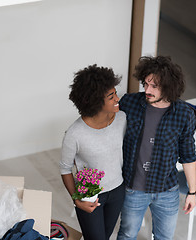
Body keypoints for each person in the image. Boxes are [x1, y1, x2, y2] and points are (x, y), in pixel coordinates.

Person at [117, 56, 196, 240]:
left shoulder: (184, 114)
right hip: (132, 189)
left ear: (169, 86)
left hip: (167, 191)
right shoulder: (129, 103)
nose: (147, 90)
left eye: (154, 86)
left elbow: (188, 155)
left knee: (164, 237)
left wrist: (192, 192)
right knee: (127, 234)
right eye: (145, 84)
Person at [60, 64, 126, 240]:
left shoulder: (122, 119)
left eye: (115, 93)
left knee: (104, 236)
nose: (117, 98)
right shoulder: (74, 133)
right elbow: (65, 169)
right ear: (95, 101)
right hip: (90, 195)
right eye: (111, 96)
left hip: (118, 190)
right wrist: (76, 200)